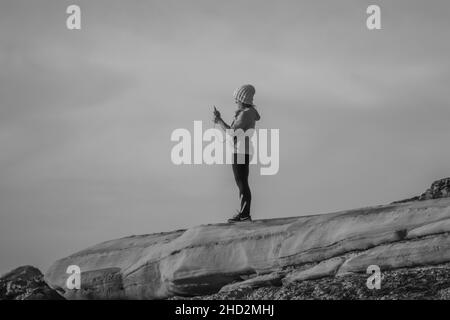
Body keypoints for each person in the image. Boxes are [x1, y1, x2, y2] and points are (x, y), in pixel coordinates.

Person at [213, 84, 261, 222]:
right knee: (242, 181)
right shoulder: (250, 113)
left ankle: (244, 215)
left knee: (241, 182)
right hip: (244, 150)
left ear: (242, 100)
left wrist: (219, 120)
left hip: (240, 151)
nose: (235, 102)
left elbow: (231, 132)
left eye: (236, 100)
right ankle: (244, 213)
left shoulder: (245, 114)